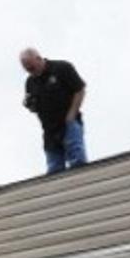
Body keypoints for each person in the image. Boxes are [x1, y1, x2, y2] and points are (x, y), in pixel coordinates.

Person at [20, 47, 87, 175]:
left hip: (68, 124)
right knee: (54, 170)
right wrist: (30, 106)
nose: (30, 72)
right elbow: (35, 107)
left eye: (32, 68)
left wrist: (71, 114)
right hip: (49, 131)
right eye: (27, 70)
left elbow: (80, 89)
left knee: (77, 163)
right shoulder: (30, 82)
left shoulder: (62, 68)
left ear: (38, 59)